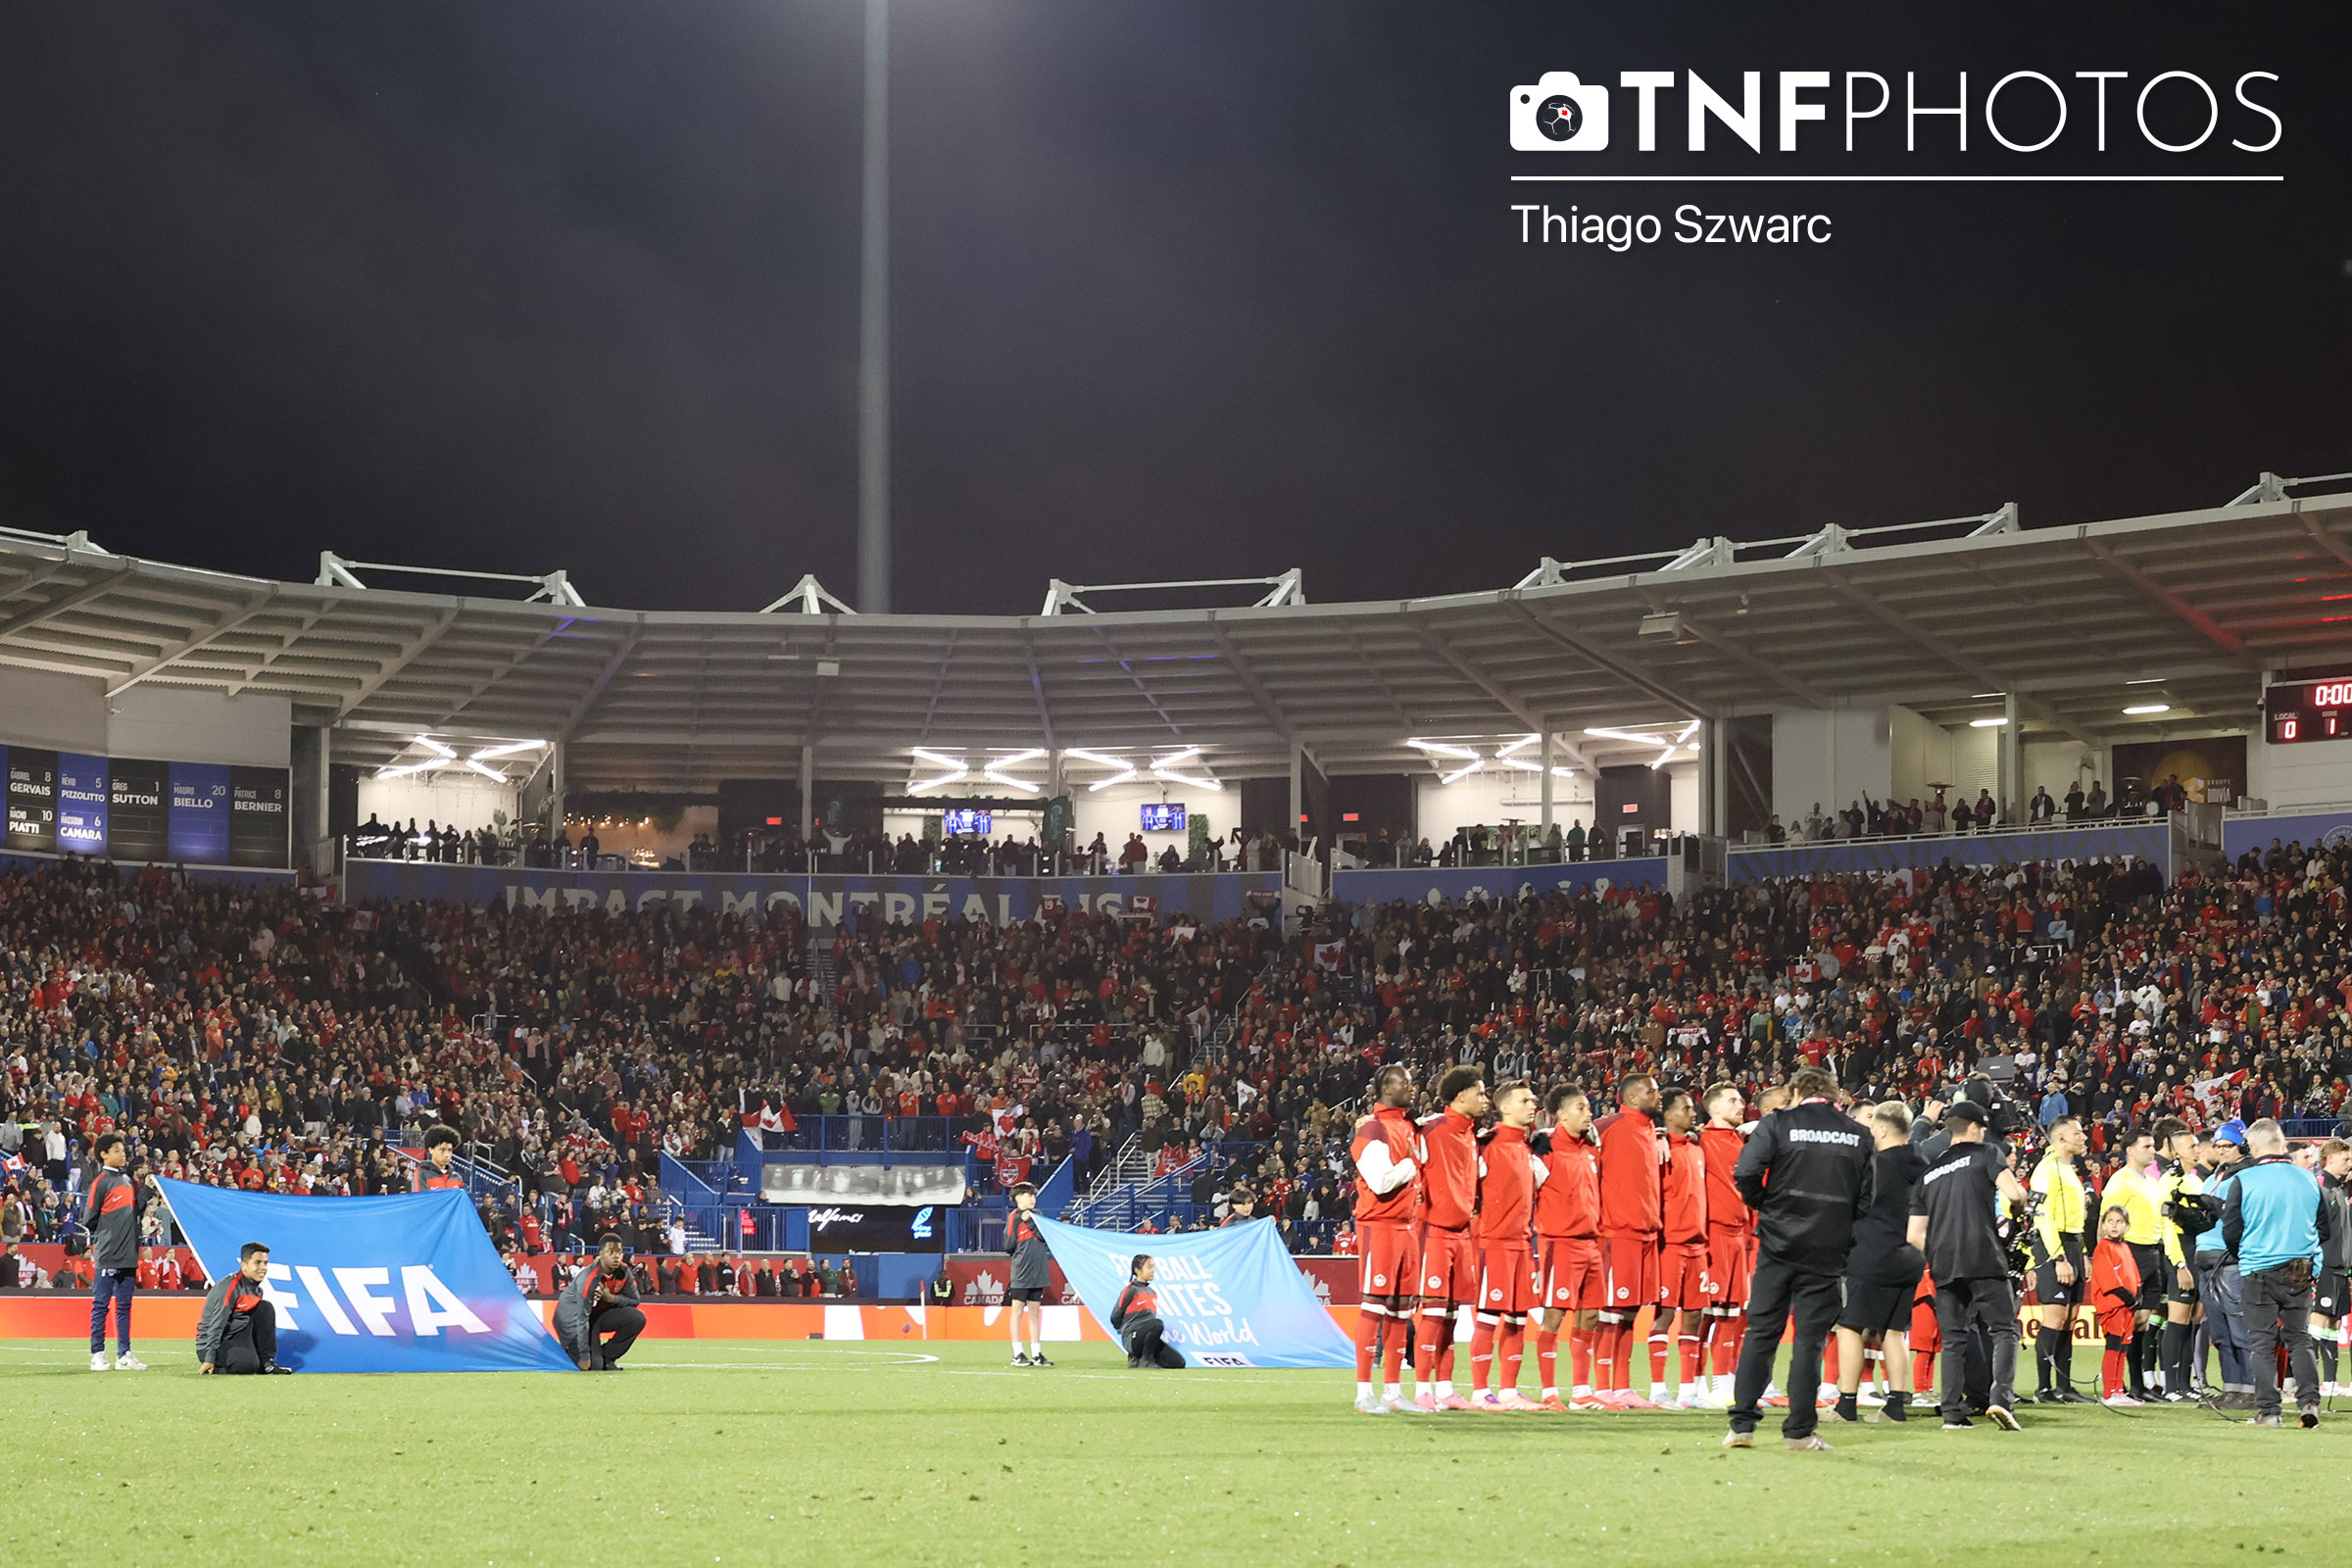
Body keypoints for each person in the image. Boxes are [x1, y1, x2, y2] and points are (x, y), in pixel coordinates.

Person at [1723, 1067, 1872, 1451]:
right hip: (1827, 1249)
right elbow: (1868, 1198)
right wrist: (1840, 1223)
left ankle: (1742, 1426)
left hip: (1778, 1243)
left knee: (1761, 1333)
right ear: (1835, 1095)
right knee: (1809, 1341)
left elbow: (1745, 1172)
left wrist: (1767, 1205)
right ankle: (1800, 1432)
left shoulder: (1777, 1124)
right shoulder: (1858, 1134)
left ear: (1795, 1093)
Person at [1908, 1100, 2032, 1431]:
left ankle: (1952, 1414)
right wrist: (2019, 1211)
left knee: (1953, 1339)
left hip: (1944, 1262)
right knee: (2004, 1330)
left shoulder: (1929, 1172)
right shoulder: (1987, 1153)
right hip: (1983, 1255)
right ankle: (2000, 1400)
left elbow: (1913, 1234)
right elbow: (2015, 1194)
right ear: (1976, 1127)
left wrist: (1939, 1251)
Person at [2222, 1118, 2328, 1428]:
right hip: (2299, 1268)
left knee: (2262, 1343)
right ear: (2281, 1144)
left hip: (2259, 1268)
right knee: (2299, 1339)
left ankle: (2270, 1412)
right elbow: (2324, 1228)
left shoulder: (2244, 1180)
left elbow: (2231, 1231)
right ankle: (2309, 1403)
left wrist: (2247, 1252)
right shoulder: (2308, 1179)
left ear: (2254, 1146)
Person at [1833, 1101, 1927, 1425]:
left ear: (1883, 1129)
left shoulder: (1874, 1166)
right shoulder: (1922, 1163)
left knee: (1849, 1327)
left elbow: (1851, 1207)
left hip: (1870, 1255)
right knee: (1893, 1332)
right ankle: (1895, 1406)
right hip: (1910, 1257)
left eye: (1873, 1126)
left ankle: (1846, 1406)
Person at [1411, 1065, 1488, 1411]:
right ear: (1461, 1095)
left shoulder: (1471, 1134)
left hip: (1462, 1235)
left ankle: (1445, 1388)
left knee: (1452, 1314)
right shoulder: (1431, 1129)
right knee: (1433, 1312)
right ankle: (1422, 1389)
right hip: (1434, 1233)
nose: (1485, 1099)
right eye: (1480, 1093)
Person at [1467, 1079, 1544, 1410]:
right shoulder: (1487, 1145)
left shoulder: (1527, 1146)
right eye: (1525, 1101)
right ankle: (1480, 1391)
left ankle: (1510, 1391)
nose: (1533, 1105)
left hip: (1522, 1244)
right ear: (1505, 1107)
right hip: (1492, 1243)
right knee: (1488, 1317)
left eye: (1533, 1100)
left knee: (1517, 1319)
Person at [1349, 1064, 1421, 1414]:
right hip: (1379, 1227)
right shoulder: (1373, 1129)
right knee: (1374, 1307)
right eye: (1404, 1082)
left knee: (1401, 1312)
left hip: (1408, 1227)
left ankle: (1393, 1392)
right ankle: (1364, 1393)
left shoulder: (1409, 1126)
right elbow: (1380, 1182)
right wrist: (1414, 1162)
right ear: (1385, 1088)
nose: (1412, 1086)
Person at [1594, 1073, 1664, 1409]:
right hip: (1616, 1232)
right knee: (1610, 1311)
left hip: (1647, 1233)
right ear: (1633, 1097)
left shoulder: (1651, 1129)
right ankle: (1600, 1387)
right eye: (1652, 1091)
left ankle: (1621, 1387)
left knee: (1630, 1313)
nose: (1658, 1096)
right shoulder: (1607, 1126)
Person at [1533, 1084, 1602, 1411]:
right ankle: (1549, 1391)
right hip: (1559, 1243)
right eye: (1580, 1108)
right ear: (1560, 1114)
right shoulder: (1544, 1147)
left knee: (1590, 1316)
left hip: (1591, 1243)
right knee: (1554, 1315)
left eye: (1588, 1107)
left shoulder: (1590, 1147)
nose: (1588, 1113)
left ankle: (1581, 1392)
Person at [2026, 1115, 2093, 1403]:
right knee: (2054, 1316)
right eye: (2078, 1133)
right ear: (2061, 1137)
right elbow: (2042, 1217)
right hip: (2054, 1247)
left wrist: (2083, 1253)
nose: (2084, 1137)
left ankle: (2064, 1387)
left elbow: (2075, 1220)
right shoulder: (2046, 1169)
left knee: (2070, 1317)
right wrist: (2059, 1257)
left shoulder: (2068, 1169)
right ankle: (2043, 1388)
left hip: (2073, 1245)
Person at [2098, 1128, 2169, 1399]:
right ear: (2129, 1150)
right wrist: (2104, 1256)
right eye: (2147, 1146)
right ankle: (2120, 1383)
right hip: (2131, 1252)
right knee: (2127, 1321)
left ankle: (2138, 1385)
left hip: (2153, 1252)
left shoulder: (2151, 1181)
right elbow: (2106, 1222)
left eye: (2153, 1146)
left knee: (2143, 1323)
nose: (2153, 1151)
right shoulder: (2120, 1181)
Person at [1650, 1088, 1710, 1408]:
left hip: (1697, 1245)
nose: (1693, 1113)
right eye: (1686, 1108)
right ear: (1669, 1114)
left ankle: (1688, 1391)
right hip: (1670, 1244)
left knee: (1694, 1316)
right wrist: (1658, 1135)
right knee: (1664, 1315)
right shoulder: (1657, 1149)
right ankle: (1658, 1389)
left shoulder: (1697, 1149)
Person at [1694, 1083, 1751, 1409]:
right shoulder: (1702, 1140)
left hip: (1739, 1235)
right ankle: (1695, 1384)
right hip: (1713, 1234)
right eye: (1732, 1100)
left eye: (1741, 1100)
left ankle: (1723, 1383)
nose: (1740, 1105)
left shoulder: (1740, 1141)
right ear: (1714, 1108)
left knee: (1732, 1312)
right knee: (1707, 1313)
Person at [84, 1133, 144, 1372]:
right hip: (108, 1253)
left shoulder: (127, 1179)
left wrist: (147, 1193)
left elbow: (135, 1212)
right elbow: (89, 1218)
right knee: (101, 1305)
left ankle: (124, 1354)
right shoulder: (101, 1182)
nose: (123, 1154)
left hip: (129, 1253)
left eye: (123, 1150)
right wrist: (110, 1231)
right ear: (104, 1154)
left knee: (124, 1307)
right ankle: (97, 1354)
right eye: (117, 1150)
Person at [195, 1242, 292, 1374]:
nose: (263, 1268)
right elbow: (216, 1324)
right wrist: (209, 1357)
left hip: (237, 1335)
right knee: (247, 1366)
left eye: (265, 1263)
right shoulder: (229, 1287)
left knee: (265, 1308)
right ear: (243, 1265)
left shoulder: (257, 1290)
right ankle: (217, 1367)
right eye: (257, 1262)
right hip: (212, 1344)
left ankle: (267, 1363)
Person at [555, 1235, 646, 1371]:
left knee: (637, 1318)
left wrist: (612, 1299)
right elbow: (581, 1318)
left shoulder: (624, 1272)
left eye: (619, 1253)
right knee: (591, 1366)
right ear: (601, 1254)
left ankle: (607, 1358)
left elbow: (635, 1300)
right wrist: (584, 1356)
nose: (616, 1257)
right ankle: (566, 1351)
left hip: (596, 1316)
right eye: (611, 1252)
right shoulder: (589, 1278)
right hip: (572, 1321)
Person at [2089, 1206, 2145, 1405]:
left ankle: (2118, 1390)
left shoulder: (2124, 1247)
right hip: (2113, 1305)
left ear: (2127, 1226)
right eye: (2110, 1221)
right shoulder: (2103, 1248)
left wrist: (2138, 1294)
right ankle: (2109, 1392)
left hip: (2126, 1307)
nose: (2114, 1225)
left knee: (2123, 1347)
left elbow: (2133, 1274)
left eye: (2119, 1222)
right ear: (2103, 1226)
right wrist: (2129, 1298)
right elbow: (2109, 1280)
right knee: (2114, 1346)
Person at [2314, 1139, 2352, 1396]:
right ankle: (2304, 1380)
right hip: (2325, 1265)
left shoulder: (2340, 1188)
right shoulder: (2321, 1187)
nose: (2349, 1163)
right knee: (2317, 1322)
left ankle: (2330, 1381)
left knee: (2334, 1323)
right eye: (2345, 1159)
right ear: (2329, 1159)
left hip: (2340, 1267)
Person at [1004, 1182, 1054, 1368]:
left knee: (1034, 1313)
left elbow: (1045, 1237)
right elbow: (1008, 1245)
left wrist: (1030, 1221)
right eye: (1029, 1195)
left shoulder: (1038, 1215)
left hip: (1038, 1271)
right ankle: (1017, 1353)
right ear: (1018, 1198)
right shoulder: (1014, 1217)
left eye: (1034, 1195)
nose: (1033, 1198)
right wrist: (1021, 1257)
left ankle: (1036, 1354)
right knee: (1016, 1312)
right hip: (1021, 1272)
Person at [1113, 1255, 1184, 1368]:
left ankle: (1138, 1359)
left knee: (1178, 1363)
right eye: (1149, 1267)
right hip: (1132, 1339)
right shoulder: (1131, 1290)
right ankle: (1146, 1360)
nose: (1153, 1270)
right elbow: (1115, 1316)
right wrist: (1125, 1331)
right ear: (1137, 1270)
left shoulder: (1152, 1292)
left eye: (1153, 1267)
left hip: (1146, 1336)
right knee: (1157, 1324)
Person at [419, 1125, 465, 1192]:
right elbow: (421, 1197)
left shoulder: (457, 1178)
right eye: (442, 1150)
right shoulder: (421, 1174)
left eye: (449, 1150)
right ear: (431, 1150)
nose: (447, 1155)